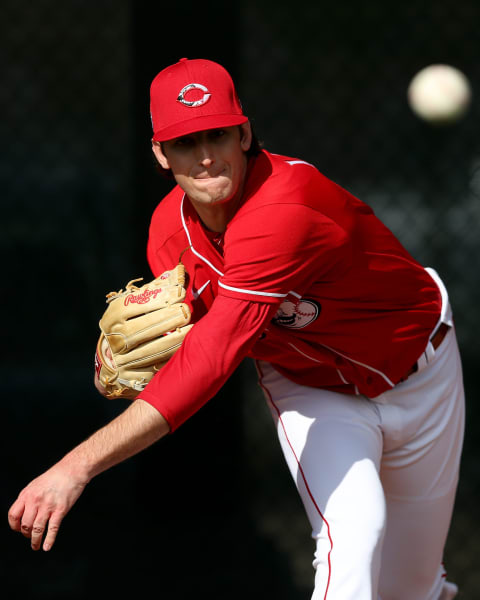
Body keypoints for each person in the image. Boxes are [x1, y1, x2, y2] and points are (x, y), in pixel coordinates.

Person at [8, 58, 464, 600]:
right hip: (313, 389)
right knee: (353, 531)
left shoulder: (288, 203)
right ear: (159, 154)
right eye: (183, 143)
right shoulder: (167, 237)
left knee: (412, 587)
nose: (204, 157)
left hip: (423, 370)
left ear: (244, 132)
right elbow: (194, 349)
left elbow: (214, 354)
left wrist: (76, 465)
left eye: (217, 134)